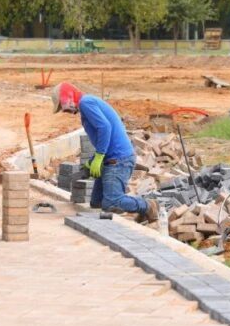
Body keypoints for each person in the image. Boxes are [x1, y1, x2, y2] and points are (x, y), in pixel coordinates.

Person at [52, 82, 158, 221]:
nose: (65, 111)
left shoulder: (85, 103)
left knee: (111, 202)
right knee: (96, 202)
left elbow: (105, 127)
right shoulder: (87, 104)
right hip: (111, 159)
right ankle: (123, 207)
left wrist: (99, 156)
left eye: (62, 107)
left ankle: (148, 205)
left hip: (118, 160)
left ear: (67, 97)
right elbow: (105, 133)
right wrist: (92, 162)